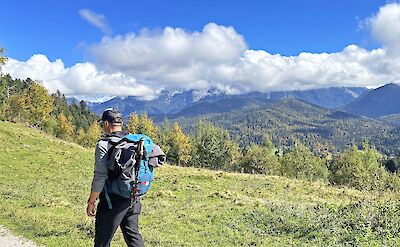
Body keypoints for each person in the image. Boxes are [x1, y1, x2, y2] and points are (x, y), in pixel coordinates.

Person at [87, 108, 153, 247]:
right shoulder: (133, 141)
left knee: (102, 241)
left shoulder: (104, 144)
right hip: (133, 196)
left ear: (106, 124)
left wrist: (92, 201)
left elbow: (100, 176)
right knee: (133, 236)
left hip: (113, 200)